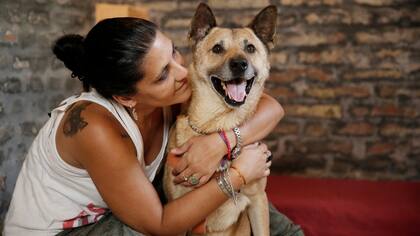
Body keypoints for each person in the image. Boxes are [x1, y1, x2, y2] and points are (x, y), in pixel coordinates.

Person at [3, 17, 303, 236]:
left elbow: (272, 107)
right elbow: (160, 225)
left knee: (253, 196)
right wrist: (238, 175)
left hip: (127, 209)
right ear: (126, 97)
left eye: (173, 53)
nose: (183, 72)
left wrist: (223, 142)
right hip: (66, 231)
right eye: (163, 75)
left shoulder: (172, 95)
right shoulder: (93, 125)